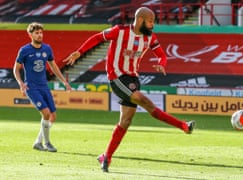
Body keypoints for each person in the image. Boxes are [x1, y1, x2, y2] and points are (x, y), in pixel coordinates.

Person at [63, 7, 195, 172]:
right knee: (145, 102)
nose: (153, 25)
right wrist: (79, 52)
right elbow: (98, 38)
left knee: (125, 121)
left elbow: (162, 54)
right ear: (140, 20)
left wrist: (162, 63)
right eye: (151, 21)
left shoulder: (149, 37)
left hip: (133, 79)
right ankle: (183, 126)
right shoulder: (119, 31)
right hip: (116, 78)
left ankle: (106, 157)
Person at [13, 22, 72, 152]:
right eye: (37, 33)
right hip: (31, 87)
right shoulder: (24, 50)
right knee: (45, 113)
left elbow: (53, 66)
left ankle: (38, 142)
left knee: (53, 116)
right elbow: (16, 69)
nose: (40, 35)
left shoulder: (47, 49)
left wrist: (64, 81)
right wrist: (21, 83)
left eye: (41, 32)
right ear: (30, 35)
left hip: (44, 86)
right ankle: (47, 143)